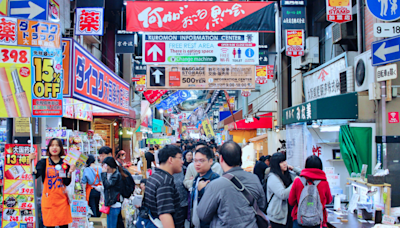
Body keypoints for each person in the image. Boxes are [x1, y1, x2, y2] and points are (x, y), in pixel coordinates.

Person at [197, 141, 266, 227]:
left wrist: (202, 190)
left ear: (221, 158)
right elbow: (262, 205)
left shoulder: (215, 185)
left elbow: (203, 214)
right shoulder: (254, 178)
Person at [29, 138, 75, 228]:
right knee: (50, 225)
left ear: (61, 148)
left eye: (57, 145)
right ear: (48, 148)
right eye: (52, 145)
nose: (55, 148)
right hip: (49, 200)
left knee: (64, 226)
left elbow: (67, 182)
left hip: (62, 201)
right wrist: (30, 161)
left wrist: (70, 172)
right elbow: (35, 174)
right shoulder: (43, 162)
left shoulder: (65, 163)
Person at [137, 145, 185, 228]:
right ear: (171, 159)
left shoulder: (155, 176)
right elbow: (165, 214)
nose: (182, 162)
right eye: (180, 158)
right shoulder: (165, 181)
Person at [289, 156, 333, 228]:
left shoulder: (298, 181)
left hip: (299, 219)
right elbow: (329, 200)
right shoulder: (324, 183)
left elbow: (291, 201)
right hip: (318, 221)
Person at [267, 153, 298, 228]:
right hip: (278, 217)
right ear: (276, 164)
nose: (284, 164)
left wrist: (293, 168)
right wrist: (294, 183)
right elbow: (283, 194)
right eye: (281, 162)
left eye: (285, 161)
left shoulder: (288, 174)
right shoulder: (272, 178)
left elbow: (303, 175)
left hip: (290, 214)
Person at [191, 147, 220, 228]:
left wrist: (203, 190)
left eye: (201, 161)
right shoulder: (196, 178)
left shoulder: (215, 179)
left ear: (210, 161)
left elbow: (216, 204)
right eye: (195, 160)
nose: (197, 164)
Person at [101, 157, 126, 228]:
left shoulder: (116, 175)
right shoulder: (115, 174)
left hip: (113, 205)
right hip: (113, 204)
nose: (105, 169)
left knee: (111, 226)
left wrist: (103, 174)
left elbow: (107, 185)